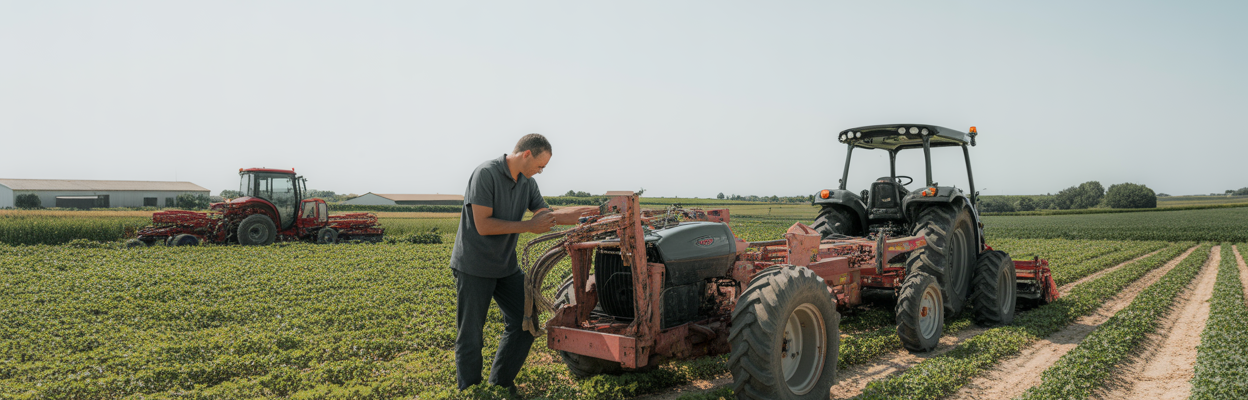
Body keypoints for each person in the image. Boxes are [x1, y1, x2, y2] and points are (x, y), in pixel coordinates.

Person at [449, 133, 588, 393]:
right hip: (474, 266)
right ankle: (471, 392)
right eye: (540, 165)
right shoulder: (485, 174)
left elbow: (546, 216)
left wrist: (587, 216)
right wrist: (528, 226)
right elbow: (483, 225)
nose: (541, 171)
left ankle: (500, 384)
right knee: (471, 334)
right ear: (526, 154)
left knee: (526, 321)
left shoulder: (527, 183)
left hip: (506, 267)